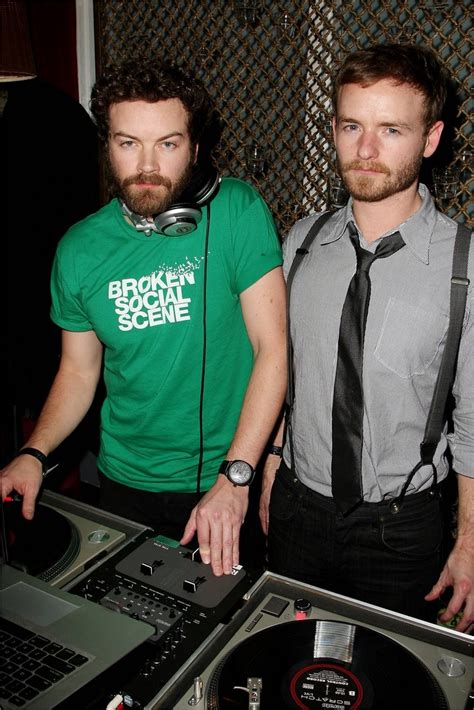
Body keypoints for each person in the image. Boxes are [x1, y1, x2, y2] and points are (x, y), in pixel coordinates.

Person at [1, 58, 286, 578]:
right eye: (128, 142)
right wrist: (34, 452)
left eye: (168, 144)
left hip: (221, 481)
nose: (147, 165)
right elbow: (79, 371)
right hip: (123, 483)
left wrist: (237, 477)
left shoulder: (240, 211)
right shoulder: (80, 249)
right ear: (107, 145)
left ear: (196, 149)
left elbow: (273, 350)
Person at [261, 43, 473, 631]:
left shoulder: (466, 264)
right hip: (297, 507)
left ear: (430, 139)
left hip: (401, 529)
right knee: (289, 663)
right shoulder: (301, 242)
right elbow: (286, 372)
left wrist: (472, 544)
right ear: (333, 127)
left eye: (391, 129)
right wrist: (273, 461)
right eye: (352, 125)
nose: (367, 150)